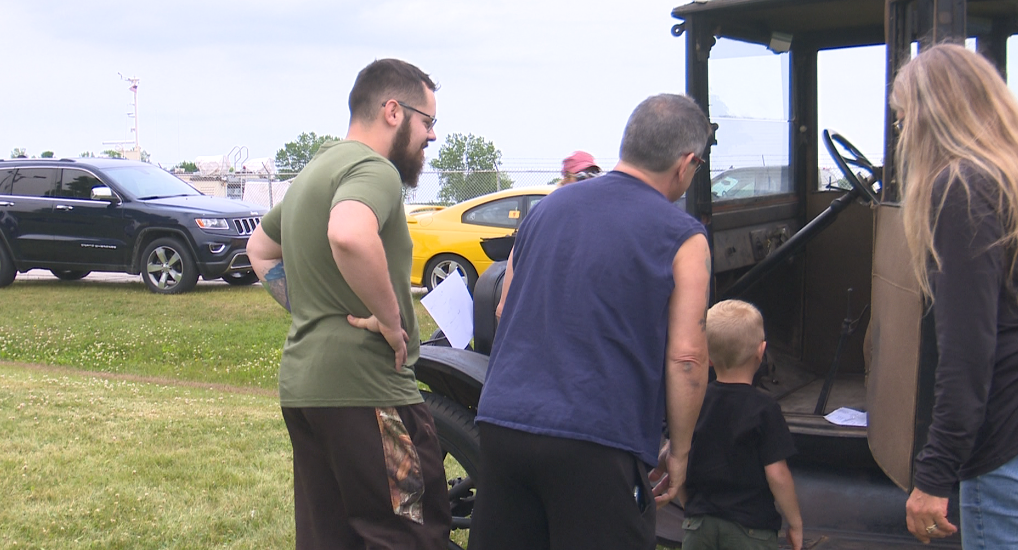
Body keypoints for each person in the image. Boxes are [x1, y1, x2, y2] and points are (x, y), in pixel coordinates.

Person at [468, 93, 714, 550]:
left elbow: (504, 309)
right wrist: (678, 451)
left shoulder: (545, 210)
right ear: (686, 164)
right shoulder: (683, 236)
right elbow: (686, 357)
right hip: (597, 440)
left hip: (505, 424)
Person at [246, 58, 451, 549]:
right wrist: (389, 318)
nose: (433, 136)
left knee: (330, 538)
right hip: (369, 391)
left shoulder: (320, 167)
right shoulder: (372, 169)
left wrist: (310, 311)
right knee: (408, 534)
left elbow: (260, 248)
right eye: (429, 122)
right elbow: (349, 233)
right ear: (393, 111)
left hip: (306, 390)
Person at [890, 43, 1018, 547]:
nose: (902, 133)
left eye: (902, 120)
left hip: (1000, 447)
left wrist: (934, 474)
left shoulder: (960, 189)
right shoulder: (1006, 179)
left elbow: (968, 353)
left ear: (929, 119)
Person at [681, 300, 803, 550]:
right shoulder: (764, 409)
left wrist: (693, 510)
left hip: (699, 525)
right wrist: (796, 522)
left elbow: (679, 457)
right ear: (761, 351)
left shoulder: (694, 402)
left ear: (709, 357)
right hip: (750, 531)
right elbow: (777, 474)